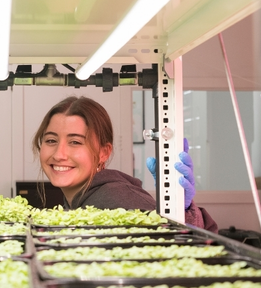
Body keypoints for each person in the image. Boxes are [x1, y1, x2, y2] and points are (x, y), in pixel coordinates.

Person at [33, 95, 217, 231]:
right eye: (51, 140)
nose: (59, 154)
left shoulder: (116, 198)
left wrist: (184, 215)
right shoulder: (81, 197)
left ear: (103, 152)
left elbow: (183, 253)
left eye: (75, 142)